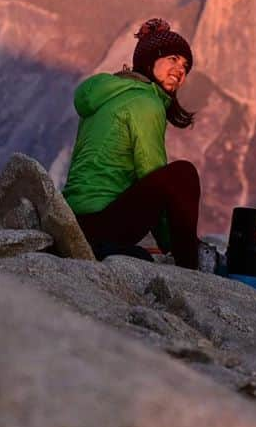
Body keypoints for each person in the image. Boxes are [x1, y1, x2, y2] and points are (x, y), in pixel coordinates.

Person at [63, 18, 202, 267]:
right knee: (183, 175)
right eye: (173, 59)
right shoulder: (145, 103)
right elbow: (153, 172)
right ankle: (193, 264)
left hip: (74, 218)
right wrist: (175, 245)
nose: (181, 70)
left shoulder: (108, 94)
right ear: (150, 60)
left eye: (185, 65)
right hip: (98, 224)